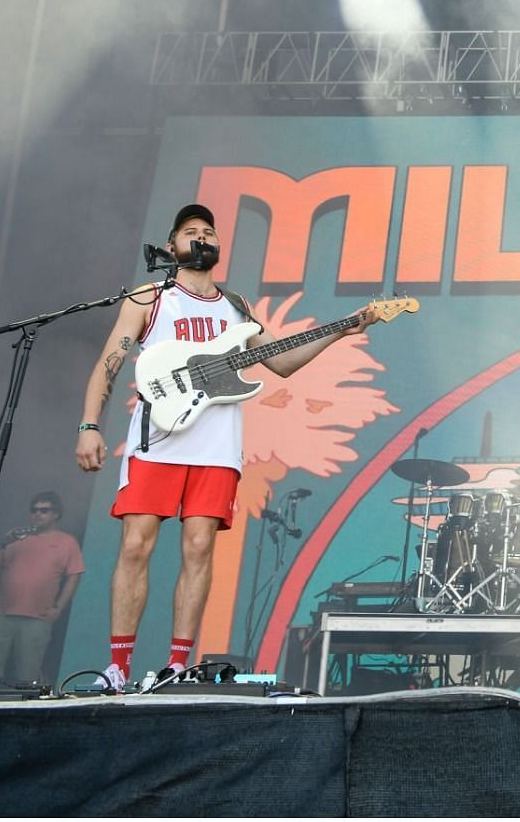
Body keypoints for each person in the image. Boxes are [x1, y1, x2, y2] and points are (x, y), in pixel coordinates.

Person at [75, 203, 380, 691]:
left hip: (216, 446)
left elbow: (280, 363)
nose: (202, 237)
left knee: (198, 548)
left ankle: (176, 665)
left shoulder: (234, 307)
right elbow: (109, 362)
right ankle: (118, 667)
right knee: (136, 545)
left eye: (209, 231)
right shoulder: (150, 297)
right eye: (190, 231)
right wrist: (90, 424)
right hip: (157, 440)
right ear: (172, 246)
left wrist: (341, 330)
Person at [0, 492, 84, 686]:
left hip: (38, 617)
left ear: (56, 514)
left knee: (27, 673)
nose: (38, 514)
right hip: (2, 614)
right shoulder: (15, 536)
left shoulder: (67, 542)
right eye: (34, 510)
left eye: (44, 510)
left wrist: (58, 608)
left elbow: (74, 576)